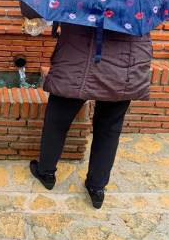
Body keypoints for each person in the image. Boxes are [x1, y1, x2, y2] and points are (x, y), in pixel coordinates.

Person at [30, 23, 152, 209]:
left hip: (76, 61)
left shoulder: (78, 2)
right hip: (123, 69)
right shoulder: (139, 5)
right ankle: (97, 187)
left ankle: (46, 172)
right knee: (109, 130)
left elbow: (31, 11)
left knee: (56, 122)